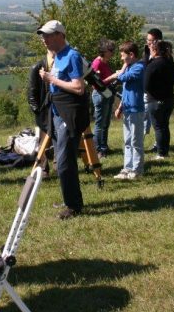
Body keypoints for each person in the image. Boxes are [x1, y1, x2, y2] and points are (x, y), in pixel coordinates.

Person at [37, 20, 88, 220]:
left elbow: (78, 87)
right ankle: (70, 200)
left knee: (65, 161)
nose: (44, 40)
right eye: (43, 36)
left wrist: (52, 80)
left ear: (60, 35)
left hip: (69, 113)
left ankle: (74, 206)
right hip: (58, 113)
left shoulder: (72, 56)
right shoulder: (57, 56)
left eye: (48, 35)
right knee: (62, 160)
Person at [105, 41, 146, 180]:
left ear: (131, 54)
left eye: (123, 56)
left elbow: (123, 78)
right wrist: (120, 107)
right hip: (128, 109)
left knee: (136, 141)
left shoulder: (139, 67)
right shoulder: (130, 67)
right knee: (127, 141)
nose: (121, 59)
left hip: (136, 110)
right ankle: (127, 168)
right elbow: (126, 91)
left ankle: (137, 170)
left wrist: (120, 71)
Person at [144, 40, 174, 159]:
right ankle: (165, 151)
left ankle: (161, 153)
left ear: (155, 50)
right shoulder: (170, 62)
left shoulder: (153, 65)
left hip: (155, 100)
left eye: (151, 49)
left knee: (158, 127)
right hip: (169, 99)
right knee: (164, 126)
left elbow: (145, 85)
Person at [91, 39, 116, 159]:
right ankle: (97, 149)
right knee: (100, 124)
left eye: (112, 50)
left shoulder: (104, 62)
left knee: (105, 123)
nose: (112, 52)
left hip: (106, 94)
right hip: (100, 95)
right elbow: (95, 83)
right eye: (110, 50)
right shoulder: (97, 63)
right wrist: (112, 77)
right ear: (103, 51)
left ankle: (104, 147)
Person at [142, 28, 163, 148]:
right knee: (144, 117)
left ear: (157, 41)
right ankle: (141, 142)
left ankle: (159, 144)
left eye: (151, 40)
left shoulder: (163, 54)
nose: (148, 42)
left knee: (157, 121)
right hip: (146, 91)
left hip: (157, 93)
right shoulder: (146, 50)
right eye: (147, 40)